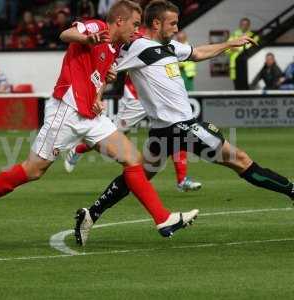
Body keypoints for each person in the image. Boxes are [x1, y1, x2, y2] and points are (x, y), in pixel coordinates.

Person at [0, 0, 198, 241]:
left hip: (91, 115)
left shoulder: (113, 50)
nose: (136, 31)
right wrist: (85, 39)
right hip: (67, 111)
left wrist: (98, 95)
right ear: (119, 21)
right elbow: (65, 34)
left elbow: (96, 79)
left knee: (132, 159)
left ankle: (162, 219)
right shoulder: (96, 28)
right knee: (33, 170)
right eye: (134, 25)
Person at [74, 0, 294, 246]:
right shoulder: (137, 47)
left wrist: (230, 44)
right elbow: (105, 70)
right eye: (173, 23)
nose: (177, 28)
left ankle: (90, 214)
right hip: (182, 127)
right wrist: (97, 96)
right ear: (156, 23)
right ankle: (292, 191)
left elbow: (198, 53)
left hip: (163, 131)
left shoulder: (169, 47)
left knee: (137, 175)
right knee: (241, 161)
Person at [64, 73, 202, 192]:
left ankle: (182, 180)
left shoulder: (165, 45)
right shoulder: (135, 43)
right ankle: (79, 149)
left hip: (159, 98)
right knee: (111, 136)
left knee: (175, 130)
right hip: (136, 99)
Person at [227, 18, 259, 90]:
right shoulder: (234, 35)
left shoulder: (253, 36)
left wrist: (237, 48)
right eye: (242, 24)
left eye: (245, 24)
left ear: (249, 25)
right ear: (239, 25)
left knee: (247, 88)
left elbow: (255, 48)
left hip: (248, 66)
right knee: (237, 88)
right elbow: (226, 49)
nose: (243, 26)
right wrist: (233, 49)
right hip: (235, 67)